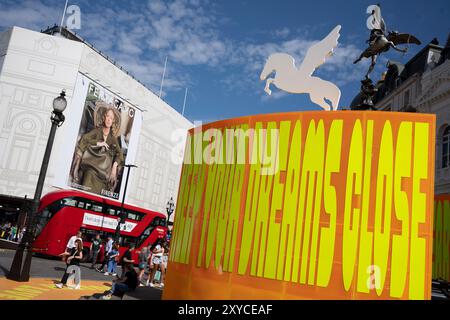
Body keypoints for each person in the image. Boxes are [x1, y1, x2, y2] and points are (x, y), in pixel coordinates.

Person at [71, 102, 124, 196]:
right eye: (108, 116)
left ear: (113, 122)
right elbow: (84, 139)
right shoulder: (97, 131)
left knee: (104, 186)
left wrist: (114, 166)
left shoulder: (113, 138)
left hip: (104, 172)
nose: (109, 119)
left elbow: (119, 154)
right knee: (88, 176)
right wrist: (99, 143)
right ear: (104, 117)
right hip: (92, 166)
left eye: (111, 118)